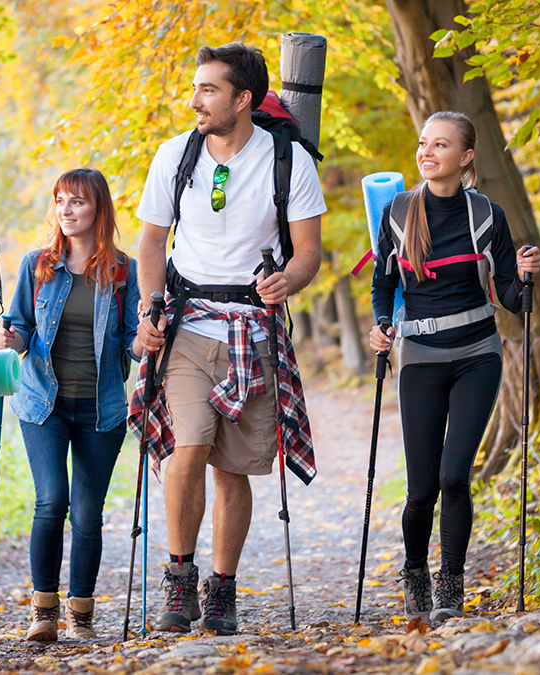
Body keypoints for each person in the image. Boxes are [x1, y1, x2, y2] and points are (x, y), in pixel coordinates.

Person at [133, 42, 326, 636]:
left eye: (208, 90)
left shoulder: (288, 162)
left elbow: (309, 252)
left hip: (253, 330)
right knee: (187, 447)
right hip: (188, 324)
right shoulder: (174, 155)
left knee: (233, 468)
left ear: (243, 99)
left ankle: (220, 589)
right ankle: (179, 579)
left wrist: (286, 281)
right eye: (196, 89)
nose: (195, 101)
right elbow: (149, 243)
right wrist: (149, 307)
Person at [368, 111, 540, 623]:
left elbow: (511, 296)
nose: (427, 152)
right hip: (419, 358)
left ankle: (450, 585)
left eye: (440, 145)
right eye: (424, 143)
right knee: (421, 490)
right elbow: (384, 284)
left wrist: (526, 276)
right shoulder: (399, 214)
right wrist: (382, 323)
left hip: (477, 356)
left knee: (453, 477)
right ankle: (416, 572)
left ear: (465, 157)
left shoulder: (486, 215)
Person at [0, 168, 140, 642]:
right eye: (60, 201)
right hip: (44, 405)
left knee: (86, 514)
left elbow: (136, 340)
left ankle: (81, 614)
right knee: (51, 500)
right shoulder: (38, 264)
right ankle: (43, 612)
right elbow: (19, 328)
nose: (66, 210)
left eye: (76, 201)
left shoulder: (123, 271)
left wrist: (148, 343)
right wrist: (8, 336)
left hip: (102, 409)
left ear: (98, 208)